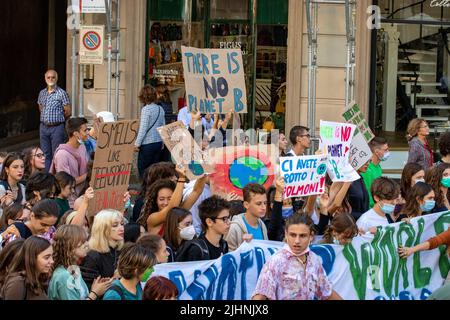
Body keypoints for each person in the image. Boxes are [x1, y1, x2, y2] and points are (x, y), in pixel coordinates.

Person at [252, 214, 342, 300]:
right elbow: (260, 295)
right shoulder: (276, 261)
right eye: (293, 235)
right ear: (286, 234)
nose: (297, 241)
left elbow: (326, 292)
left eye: (302, 236)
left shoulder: (314, 260)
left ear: (311, 236)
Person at [49, 225, 113, 300]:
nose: (87, 244)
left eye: (86, 240)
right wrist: (94, 293)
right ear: (69, 247)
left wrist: (96, 288)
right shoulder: (63, 276)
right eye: (82, 242)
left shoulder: (73, 268)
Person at [175, 196, 230, 262]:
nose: (229, 222)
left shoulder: (224, 245)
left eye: (228, 218)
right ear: (209, 222)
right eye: (224, 219)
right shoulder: (196, 249)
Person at [80, 209, 124, 289]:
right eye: (115, 225)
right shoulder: (92, 256)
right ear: (103, 229)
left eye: (122, 224)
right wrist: (115, 278)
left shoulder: (118, 250)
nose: (121, 228)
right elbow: (89, 291)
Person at [50, 117, 89, 206]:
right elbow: (65, 183)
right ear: (76, 134)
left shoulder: (82, 147)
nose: (87, 133)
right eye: (85, 130)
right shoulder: (62, 155)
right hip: (70, 203)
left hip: (84, 196)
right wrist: (88, 175)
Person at [38, 69, 71, 172]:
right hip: (44, 127)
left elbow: (68, 111)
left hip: (57, 128)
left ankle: (57, 178)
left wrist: (57, 119)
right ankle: (47, 177)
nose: (50, 79)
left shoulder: (62, 93)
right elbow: (40, 107)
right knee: (45, 154)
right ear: (45, 78)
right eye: (48, 77)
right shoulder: (42, 93)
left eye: (53, 77)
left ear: (56, 79)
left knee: (56, 154)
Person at [225, 184, 269, 251]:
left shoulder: (262, 225)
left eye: (265, 203)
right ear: (246, 205)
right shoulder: (234, 227)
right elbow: (229, 257)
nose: (263, 207)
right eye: (258, 204)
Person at [134, 85, 166, 178]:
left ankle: (145, 190)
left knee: (144, 171)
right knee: (155, 171)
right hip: (158, 143)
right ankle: (154, 189)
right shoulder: (160, 108)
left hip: (147, 145)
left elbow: (143, 128)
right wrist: (163, 142)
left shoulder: (146, 109)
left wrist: (137, 144)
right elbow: (163, 127)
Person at [361, 137, 390, 208]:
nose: (388, 152)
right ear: (376, 152)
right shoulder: (367, 169)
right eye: (385, 150)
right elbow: (368, 193)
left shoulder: (378, 167)